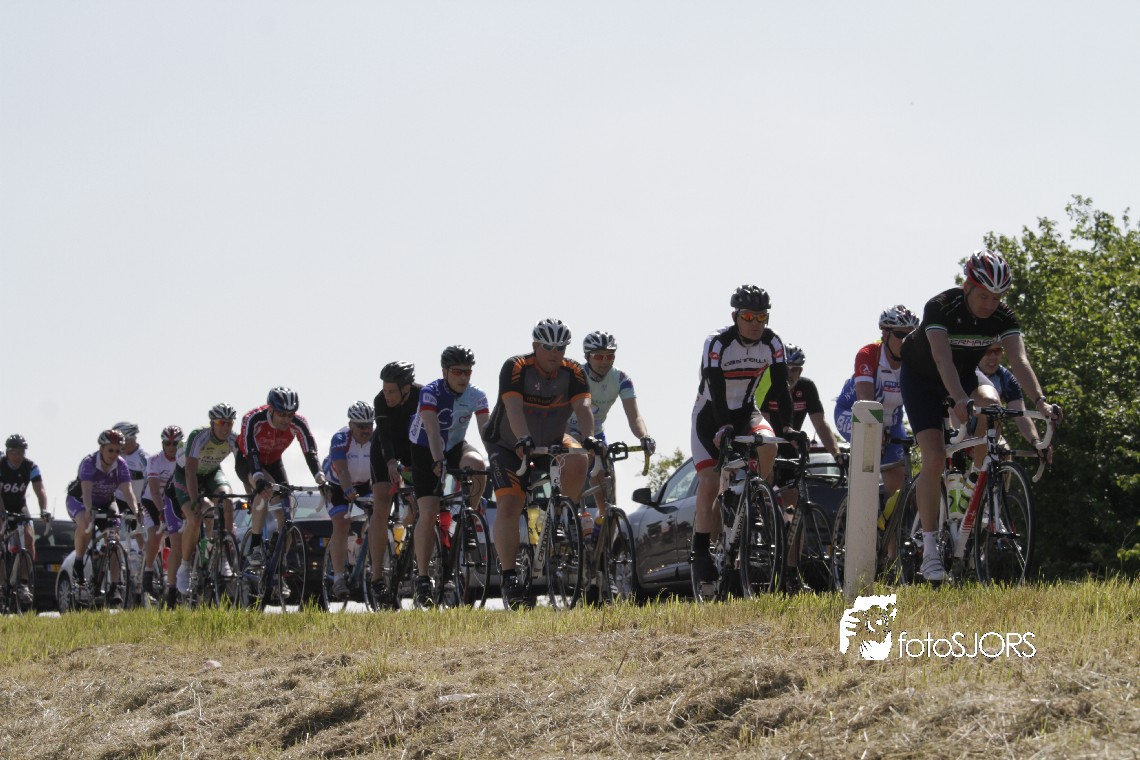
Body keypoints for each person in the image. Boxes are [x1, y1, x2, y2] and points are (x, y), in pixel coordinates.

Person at [900, 250, 1062, 583]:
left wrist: (1042, 402)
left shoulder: (1003, 316)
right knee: (933, 456)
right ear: (967, 287)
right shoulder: (941, 307)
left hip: (963, 375)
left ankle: (976, 480)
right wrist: (959, 399)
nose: (991, 304)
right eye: (984, 295)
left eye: (997, 297)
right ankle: (929, 552)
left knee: (991, 402)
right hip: (922, 379)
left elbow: (1020, 361)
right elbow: (942, 359)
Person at [484, 318, 598, 609]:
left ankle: (559, 515)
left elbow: (584, 407)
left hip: (551, 441)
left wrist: (590, 437)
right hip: (508, 444)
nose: (554, 353)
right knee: (510, 503)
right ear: (535, 346)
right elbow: (513, 407)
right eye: (548, 347)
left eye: (560, 348)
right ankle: (509, 576)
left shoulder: (573, 371)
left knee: (579, 457)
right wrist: (523, 438)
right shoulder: (516, 367)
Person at [690, 285, 797, 585]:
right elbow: (715, 387)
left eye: (761, 317)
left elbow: (781, 387)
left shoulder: (773, 342)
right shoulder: (717, 342)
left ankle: (751, 499)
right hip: (710, 415)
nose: (755, 323)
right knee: (710, 483)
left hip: (746, 411)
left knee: (769, 444)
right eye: (748, 317)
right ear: (735, 316)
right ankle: (701, 550)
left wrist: (788, 427)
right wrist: (723, 425)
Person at [406, 345, 490, 607]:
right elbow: (432, 432)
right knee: (429, 512)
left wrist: (498, 459)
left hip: (454, 445)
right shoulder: (430, 392)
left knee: (478, 464)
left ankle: (468, 517)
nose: (463, 377)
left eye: (467, 372)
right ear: (445, 372)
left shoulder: (477, 395)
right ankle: (422, 578)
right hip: (424, 448)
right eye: (457, 372)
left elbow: (486, 433)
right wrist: (437, 461)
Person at [834, 306, 920, 507]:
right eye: (900, 335)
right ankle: (861, 510)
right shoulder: (869, 354)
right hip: (854, 413)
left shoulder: (916, 360)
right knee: (869, 442)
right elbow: (866, 400)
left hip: (892, 422)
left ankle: (891, 523)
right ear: (885, 333)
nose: (906, 341)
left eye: (911, 336)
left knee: (900, 487)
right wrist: (875, 428)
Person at [236, 387, 325, 566]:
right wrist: (259, 479)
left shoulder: (298, 422)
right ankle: (255, 546)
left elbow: (309, 451)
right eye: (282, 414)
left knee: (287, 516)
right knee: (266, 488)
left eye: (290, 415)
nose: (286, 419)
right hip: (248, 461)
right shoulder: (253, 419)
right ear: (271, 409)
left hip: (274, 462)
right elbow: (251, 450)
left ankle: (277, 564)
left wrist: (321, 480)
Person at [567, 331, 655, 510]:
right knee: (578, 465)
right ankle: (567, 512)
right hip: (568, 430)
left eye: (610, 356)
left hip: (596, 432)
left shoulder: (621, 379)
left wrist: (644, 437)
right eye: (599, 356)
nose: (605, 361)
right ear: (587, 357)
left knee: (607, 484)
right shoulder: (576, 375)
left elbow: (634, 417)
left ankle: (605, 521)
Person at [171, 404, 239, 602]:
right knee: (195, 517)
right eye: (221, 422)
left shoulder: (233, 439)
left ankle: (223, 552)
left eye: (229, 423)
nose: (225, 427)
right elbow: (190, 472)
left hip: (211, 473)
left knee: (227, 501)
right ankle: (185, 566)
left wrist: (252, 491)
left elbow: (243, 467)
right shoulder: (198, 436)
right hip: (186, 476)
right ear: (212, 423)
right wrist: (195, 501)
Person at [64, 429, 140, 606]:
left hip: (106, 501)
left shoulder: (121, 465)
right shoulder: (89, 462)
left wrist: (136, 511)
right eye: (110, 450)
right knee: (85, 523)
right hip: (80, 500)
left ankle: (115, 585)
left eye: (118, 451)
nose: (114, 455)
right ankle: (78, 562)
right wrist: (89, 510)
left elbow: (128, 492)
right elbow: (86, 491)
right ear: (101, 449)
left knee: (114, 539)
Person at [368, 361, 421, 602]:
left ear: (406, 388)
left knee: (420, 503)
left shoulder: (421, 396)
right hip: (385, 449)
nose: (386, 395)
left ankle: (407, 551)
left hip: (412, 449)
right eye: (384, 390)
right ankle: (377, 577)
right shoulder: (380, 401)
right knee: (382, 504)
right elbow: (385, 436)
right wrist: (390, 463)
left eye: (392, 391)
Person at [322, 401, 377, 601]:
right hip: (337, 483)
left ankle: (364, 551)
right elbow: (342, 469)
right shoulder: (341, 438)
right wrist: (347, 489)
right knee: (341, 523)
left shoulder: (375, 438)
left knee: (378, 517)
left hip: (364, 483)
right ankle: (338, 578)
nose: (365, 430)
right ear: (350, 425)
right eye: (360, 426)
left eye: (369, 425)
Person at [977, 343, 1051, 460]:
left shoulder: (1006, 378)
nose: (993, 356)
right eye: (987, 351)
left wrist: (1036, 442)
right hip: (961, 430)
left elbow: (1021, 415)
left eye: (997, 351)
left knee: (1004, 454)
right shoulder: (967, 373)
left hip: (989, 432)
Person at [1, 434, 49, 606]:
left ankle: (23, 583)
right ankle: (2, 583)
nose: (18, 456)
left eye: (21, 452)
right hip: (1, 505)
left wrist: (44, 509)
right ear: (7, 452)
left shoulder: (31, 466)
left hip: (19, 505)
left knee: (29, 537)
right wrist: (3, 514)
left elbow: (40, 490)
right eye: (14, 452)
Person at [141, 425, 183, 601]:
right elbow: (154, 490)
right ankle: (149, 569)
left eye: (176, 444)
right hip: (152, 501)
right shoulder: (154, 460)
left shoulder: (183, 459)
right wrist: (161, 511)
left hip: (173, 500)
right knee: (156, 532)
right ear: (162, 444)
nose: (172, 447)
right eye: (168, 443)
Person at [112, 421, 150, 559]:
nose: (119, 446)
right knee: (112, 526)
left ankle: (146, 558)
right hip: (118, 498)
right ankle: (114, 553)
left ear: (130, 439)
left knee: (138, 530)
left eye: (121, 442)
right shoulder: (116, 455)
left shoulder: (142, 458)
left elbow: (150, 481)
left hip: (138, 500)